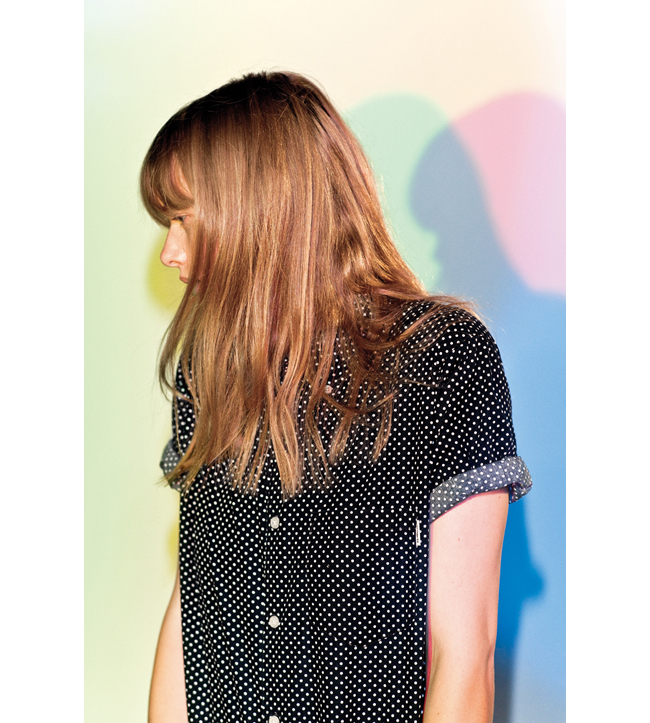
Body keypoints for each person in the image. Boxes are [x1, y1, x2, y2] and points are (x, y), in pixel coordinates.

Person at [140, 71, 532, 723]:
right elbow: (192, 605)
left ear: (263, 205)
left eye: (183, 218)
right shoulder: (207, 369)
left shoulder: (444, 357)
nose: (169, 252)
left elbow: (464, 655)